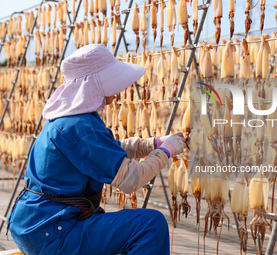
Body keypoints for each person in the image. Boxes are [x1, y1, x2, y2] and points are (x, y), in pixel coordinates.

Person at [7, 44, 187, 255]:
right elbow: (133, 179)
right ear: (92, 85)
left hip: (34, 224)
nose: (118, 92)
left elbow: (103, 152)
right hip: (53, 232)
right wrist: (165, 151)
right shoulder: (80, 127)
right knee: (150, 224)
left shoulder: (69, 119)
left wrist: (151, 143)